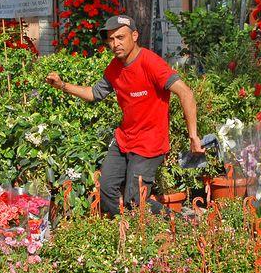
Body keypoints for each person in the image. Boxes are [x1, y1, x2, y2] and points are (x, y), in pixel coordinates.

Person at [45, 15, 203, 216]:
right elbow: (94, 93)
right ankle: (125, 231)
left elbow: (186, 93)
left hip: (149, 142)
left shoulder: (151, 63)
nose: (115, 44)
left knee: (136, 200)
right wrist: (62, 86)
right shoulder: (115, 67)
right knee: (106, 189)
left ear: (134, 36)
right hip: (124, 139)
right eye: (111, 40)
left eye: (120, 37)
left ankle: (178, 224)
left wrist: (193, 135)